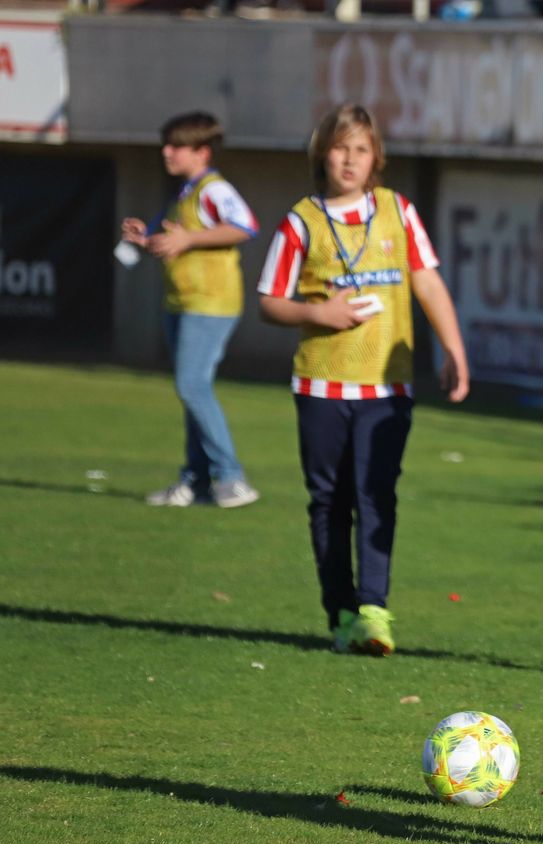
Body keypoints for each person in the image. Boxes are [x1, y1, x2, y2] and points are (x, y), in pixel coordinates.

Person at [256, 104, 470, 656]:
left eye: (361, 149)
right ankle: (340, 612)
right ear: (321, 153)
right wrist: (317, 314)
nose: (349, 160)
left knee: (377, 495)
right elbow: (269, 303)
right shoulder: (301, 221)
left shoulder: (398, 212)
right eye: (340, 147)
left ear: (376, 158)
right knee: (329, 501)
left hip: (387, 387)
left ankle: (374, 609)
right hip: (321, 388)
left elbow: (427, 282)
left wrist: (453, 347)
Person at [122, 111, 261, 510]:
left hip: (210, 303)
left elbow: (245, 225)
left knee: (192, 386)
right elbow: (178, 242)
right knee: (192, 390)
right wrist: (148, 241)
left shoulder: (214, 189)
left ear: (201, 152)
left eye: (176, 146)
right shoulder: (185, 192)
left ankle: (231, 478)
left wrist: (190, 239)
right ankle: (195, 481)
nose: (166, 152)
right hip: (182, 302)